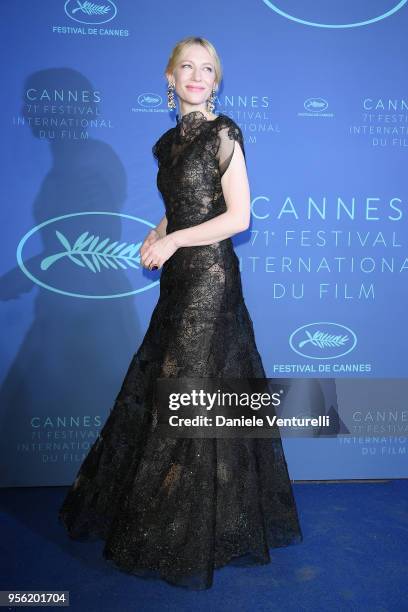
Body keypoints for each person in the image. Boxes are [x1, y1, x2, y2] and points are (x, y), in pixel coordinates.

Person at [58, 36, 303, 590]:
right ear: (170, 78)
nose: (197, 75)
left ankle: (188, 530)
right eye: (187, 67)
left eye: (207, 69)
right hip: (177, 282)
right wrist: (157, 232)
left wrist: (174, 242)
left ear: (216, 81)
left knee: (187, 391)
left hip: (210, 282)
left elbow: (238, 217)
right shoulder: (165, 143)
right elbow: (180, 210)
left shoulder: (225, 134)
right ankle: (179, 514)